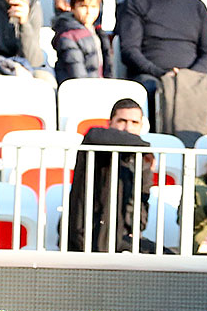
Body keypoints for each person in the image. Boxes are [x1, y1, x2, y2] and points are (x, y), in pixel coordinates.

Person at [115, 0, 207, 124]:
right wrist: (162, 74)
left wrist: (186, 77)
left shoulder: (197, 6)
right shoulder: (135, 1)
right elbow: (130, 51)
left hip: (192, 78)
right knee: (153, 89)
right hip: (151, 76)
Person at [65, 98, 156, 253]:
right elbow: (93, 134)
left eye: (134, 123)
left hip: (122, 238)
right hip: (87, 237)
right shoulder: (97, 145)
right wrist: (145, 147)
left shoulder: (142, 161)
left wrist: (135, 228)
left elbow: (142, 202)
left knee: (170, 258)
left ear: (141, 126)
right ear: (110, 123)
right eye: (122, 121)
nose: (128, 128)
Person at [52, 0, 112, 84]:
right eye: (83, 6)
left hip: (99, 85)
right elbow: (77, 73)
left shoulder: (98, 33)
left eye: (93, 7)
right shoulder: (68, 36)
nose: (89, 11)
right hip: (79, 88)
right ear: (72, 8)